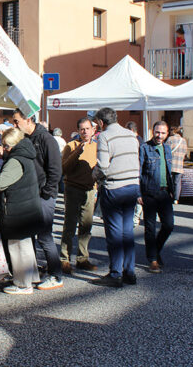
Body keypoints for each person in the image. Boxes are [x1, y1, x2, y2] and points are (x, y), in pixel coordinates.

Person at [12, 108, 64, 290]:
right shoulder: (26, 138)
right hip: (31, 195)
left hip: (43, 195)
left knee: (44, 236)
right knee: (30, 235)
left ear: (28, 120)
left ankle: (56, 275)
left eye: (17, 121)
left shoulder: (46, 139)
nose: (14, 125)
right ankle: (33, 272)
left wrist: (47, 193)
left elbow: (56, 170)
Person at [91, 107, 140, 288]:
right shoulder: (130, 135)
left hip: (115, 187)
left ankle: (115, 273)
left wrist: (93, 175)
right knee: (127, 232)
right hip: (132, 185)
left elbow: (103, 166)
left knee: (114, 233)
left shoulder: (104, 136)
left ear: (102, 123)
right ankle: (130, 272)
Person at [0, 127, 44, 294]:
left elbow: (0, 183)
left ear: (13, 145)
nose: (4, 149)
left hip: (18, 209)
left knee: (18, 247)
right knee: (25, 246)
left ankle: (22, 284)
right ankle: (31, 278)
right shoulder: (25, 155)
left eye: (6, 146)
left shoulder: (16, 160)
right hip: (27, 207)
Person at [60, 117, 99, 274]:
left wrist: (96, 189)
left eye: (87, 129)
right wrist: (77, 152)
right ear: (78, 131)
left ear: (93, 130)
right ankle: (64, 259)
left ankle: (82, 259)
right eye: (82, 129)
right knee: (69, 225)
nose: (85, 132)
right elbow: (65, 168)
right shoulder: (71, 146)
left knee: (86, 226)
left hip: (89, 190)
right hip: (73, 189)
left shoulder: (97, 147)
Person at [138, 121, 175, 273]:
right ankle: (152, 259)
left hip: (164, 192)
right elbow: (138, 172)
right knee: (150, 228)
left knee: (169, 225)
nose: (160, 136)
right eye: (157, 132)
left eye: (163, 133)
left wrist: (173, 191)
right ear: (152, 131)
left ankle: (156, 250)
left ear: (167, 134)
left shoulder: (167, 148)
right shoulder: (144, 148)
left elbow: (169, 170)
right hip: (149, 193)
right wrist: (138, 193)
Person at [166, 127, 187, 204]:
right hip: (179, 165)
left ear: (172, 131)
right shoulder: (183, 140)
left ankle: (169, 196)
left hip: (170, 164)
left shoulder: (170, 139)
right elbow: (185, 152)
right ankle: (176, 199)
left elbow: (166, 150)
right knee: (177, 182)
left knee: (169, 182)